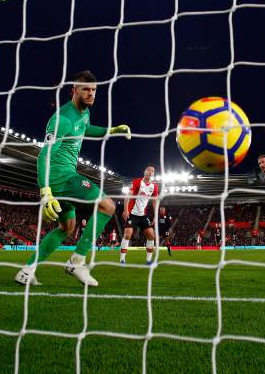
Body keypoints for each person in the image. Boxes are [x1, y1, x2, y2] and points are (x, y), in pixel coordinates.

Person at [14, 70, 131, 287]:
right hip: (61, 178)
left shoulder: (84, 113)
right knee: (107, 205)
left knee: (67, 227)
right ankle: (77, 261)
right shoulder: (63, 118)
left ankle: (26, 271)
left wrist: (112, 130)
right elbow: (44, 154)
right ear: (74, 90)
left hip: (65, 177)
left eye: (94, 90)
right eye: (86, 89)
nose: (91, 94)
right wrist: (45, 190)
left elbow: (87, 129)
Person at [119, 164, 159, 265]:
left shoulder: (154, 186)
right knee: (127, 234)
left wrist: (155, 215)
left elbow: (155, 202)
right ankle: (122, 260)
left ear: (153, 173)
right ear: (144, 171)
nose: (150, 172)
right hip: (132, 213)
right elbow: (128, 196)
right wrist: (125, 210)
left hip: (143, 215)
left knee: (151, 235)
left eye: (152, 171)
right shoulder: (137, 182)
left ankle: (149, 260)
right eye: (149, 170)